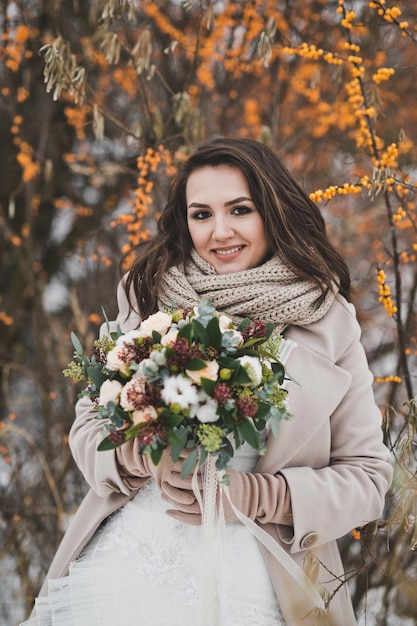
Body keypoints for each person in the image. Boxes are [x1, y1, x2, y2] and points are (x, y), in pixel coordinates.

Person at [22, 138, 393, 626]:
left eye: (240, 210)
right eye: (201, 214)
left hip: (264, 571)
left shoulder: (327, 322)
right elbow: (89, 425)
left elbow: (367, 478)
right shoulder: (149, 294)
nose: (220, 232)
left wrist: (254, 495)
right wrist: (136, 458)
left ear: (274, 211)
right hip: (130, 555)